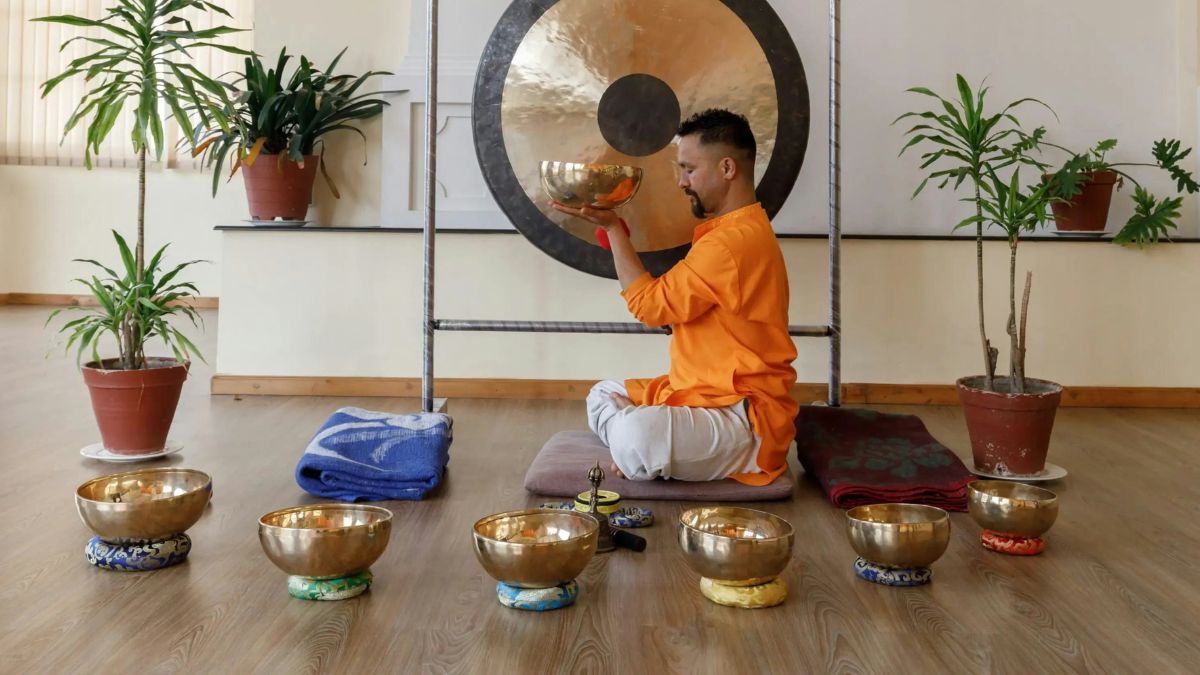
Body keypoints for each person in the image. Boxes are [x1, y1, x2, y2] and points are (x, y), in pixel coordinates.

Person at [552, 109, 798, 485]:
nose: (682, 181)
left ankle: (639, 446)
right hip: (697, 393)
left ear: (727, 168)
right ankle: (643, 448)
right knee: (603, 392)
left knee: (637, 433)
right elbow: (672, 307)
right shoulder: (741, 229)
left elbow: (650, 306)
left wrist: (614, 230)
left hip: (741, 418)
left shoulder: (730, 243)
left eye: (689, 169)